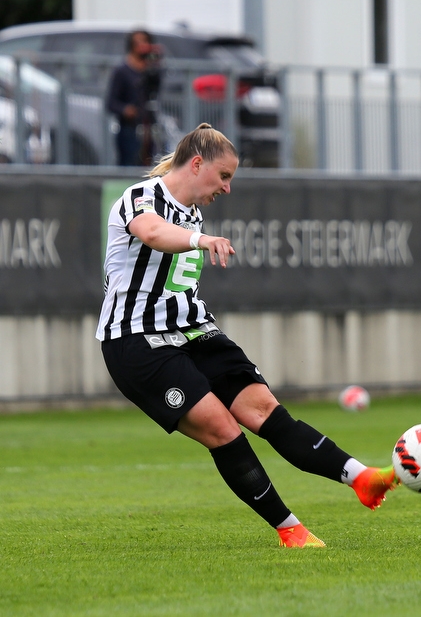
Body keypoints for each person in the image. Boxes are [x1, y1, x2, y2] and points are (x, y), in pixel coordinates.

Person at [96, 123, 399, 548]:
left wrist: (198, 235)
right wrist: (201, 240)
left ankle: (361, 478)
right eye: (224, 176)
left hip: (193, 330)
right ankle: (290, 529)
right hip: (137, 341)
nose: (227, 188)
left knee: (266, 411)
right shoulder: (140, 198)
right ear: (197, 164)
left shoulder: (193, 213)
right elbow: (152, 233)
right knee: (223, 428)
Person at [106, 29, 160, 167]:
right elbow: (111, 102)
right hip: (129, 128)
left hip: (149, 125)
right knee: (129, 163)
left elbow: (155, 91)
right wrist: (126, 110)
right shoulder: (122, 71)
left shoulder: (151, 70)